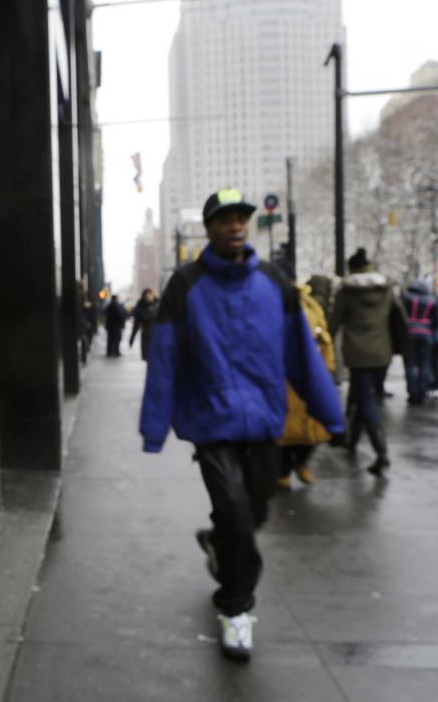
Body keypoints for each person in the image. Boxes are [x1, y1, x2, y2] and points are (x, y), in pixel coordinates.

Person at [140, 188, 343, 661]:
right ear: (208, 228)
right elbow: (164, 359)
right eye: (224, 219)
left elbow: (302, 356)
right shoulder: (185, 285)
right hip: (211, 424)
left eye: (241, 219)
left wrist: (329, 414)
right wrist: (154, 427)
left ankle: (217, 544)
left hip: (263, 423)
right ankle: (236, 607)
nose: (234, 226)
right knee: (235, 513)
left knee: (253, 513)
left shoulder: (274, 282)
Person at [329, 247, 406, 477]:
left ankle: (381, 453)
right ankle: (351, 442)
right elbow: (399, 316)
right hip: (383, 354)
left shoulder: (347, 292)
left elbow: (333, 323)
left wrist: (322, 345)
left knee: (365, 402)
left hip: (358, 354)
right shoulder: (387, 289)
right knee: (361, 396)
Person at [276, 265, 337, 489]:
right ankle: (283, 470)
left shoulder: (309, 303)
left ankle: (300, 462)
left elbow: (324, 334)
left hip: (312, 371)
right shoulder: (270, 304)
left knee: (314, 426)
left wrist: (328, 366)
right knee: (285, 429)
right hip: (283, 375)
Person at [400, 279, 438, 405]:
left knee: (409, 364)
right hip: (426, 335)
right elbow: (436, 320)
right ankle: (421, 393)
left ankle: (412, 392)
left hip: (409, 334)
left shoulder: (406, 298)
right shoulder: (432, 300)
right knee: (424, 365)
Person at [129, 288, 159, 361]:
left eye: (151, 295)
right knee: (148, 358)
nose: (149, 297)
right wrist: (132, 338)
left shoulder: (159, 305)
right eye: (147, 296)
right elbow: (136, 325)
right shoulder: (140, 307)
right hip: (146, 335)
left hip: (158, 335)